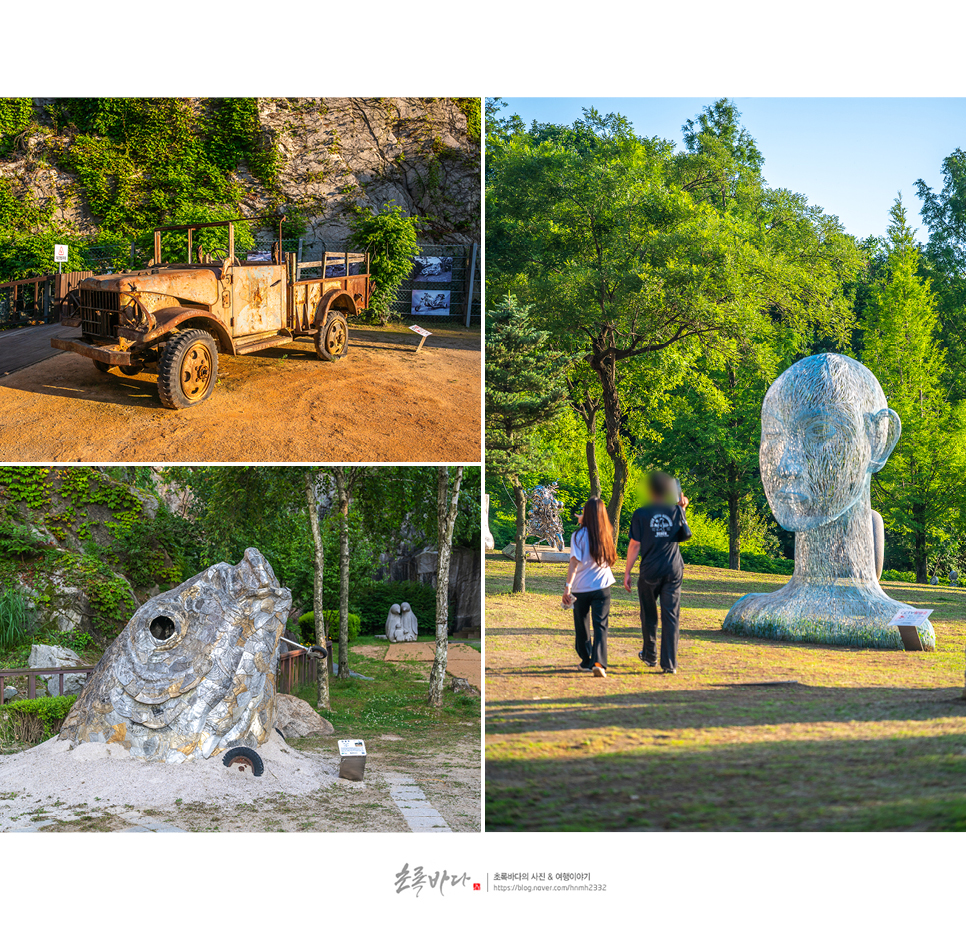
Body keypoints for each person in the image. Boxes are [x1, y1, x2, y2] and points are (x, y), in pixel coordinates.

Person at [624, 472, 692, 674]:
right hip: (673, 568)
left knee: (649, 613)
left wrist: (627, 572)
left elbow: (635, 545)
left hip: (650, 569)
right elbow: (684, 535)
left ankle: (650, 654)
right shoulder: (676, 510)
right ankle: (670, 664)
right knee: (671, 615)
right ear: (668, 490)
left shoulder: (641, 514)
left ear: (650, 490)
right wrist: (682, 509)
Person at [563, 496, 617, 678]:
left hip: (581, 587)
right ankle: (598, 662)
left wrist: (567, 587)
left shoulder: (578, 536)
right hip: (602, 586)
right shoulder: (606, 533)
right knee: (600, 625)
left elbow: (574, 563)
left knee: (581, 624)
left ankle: (586, 660)